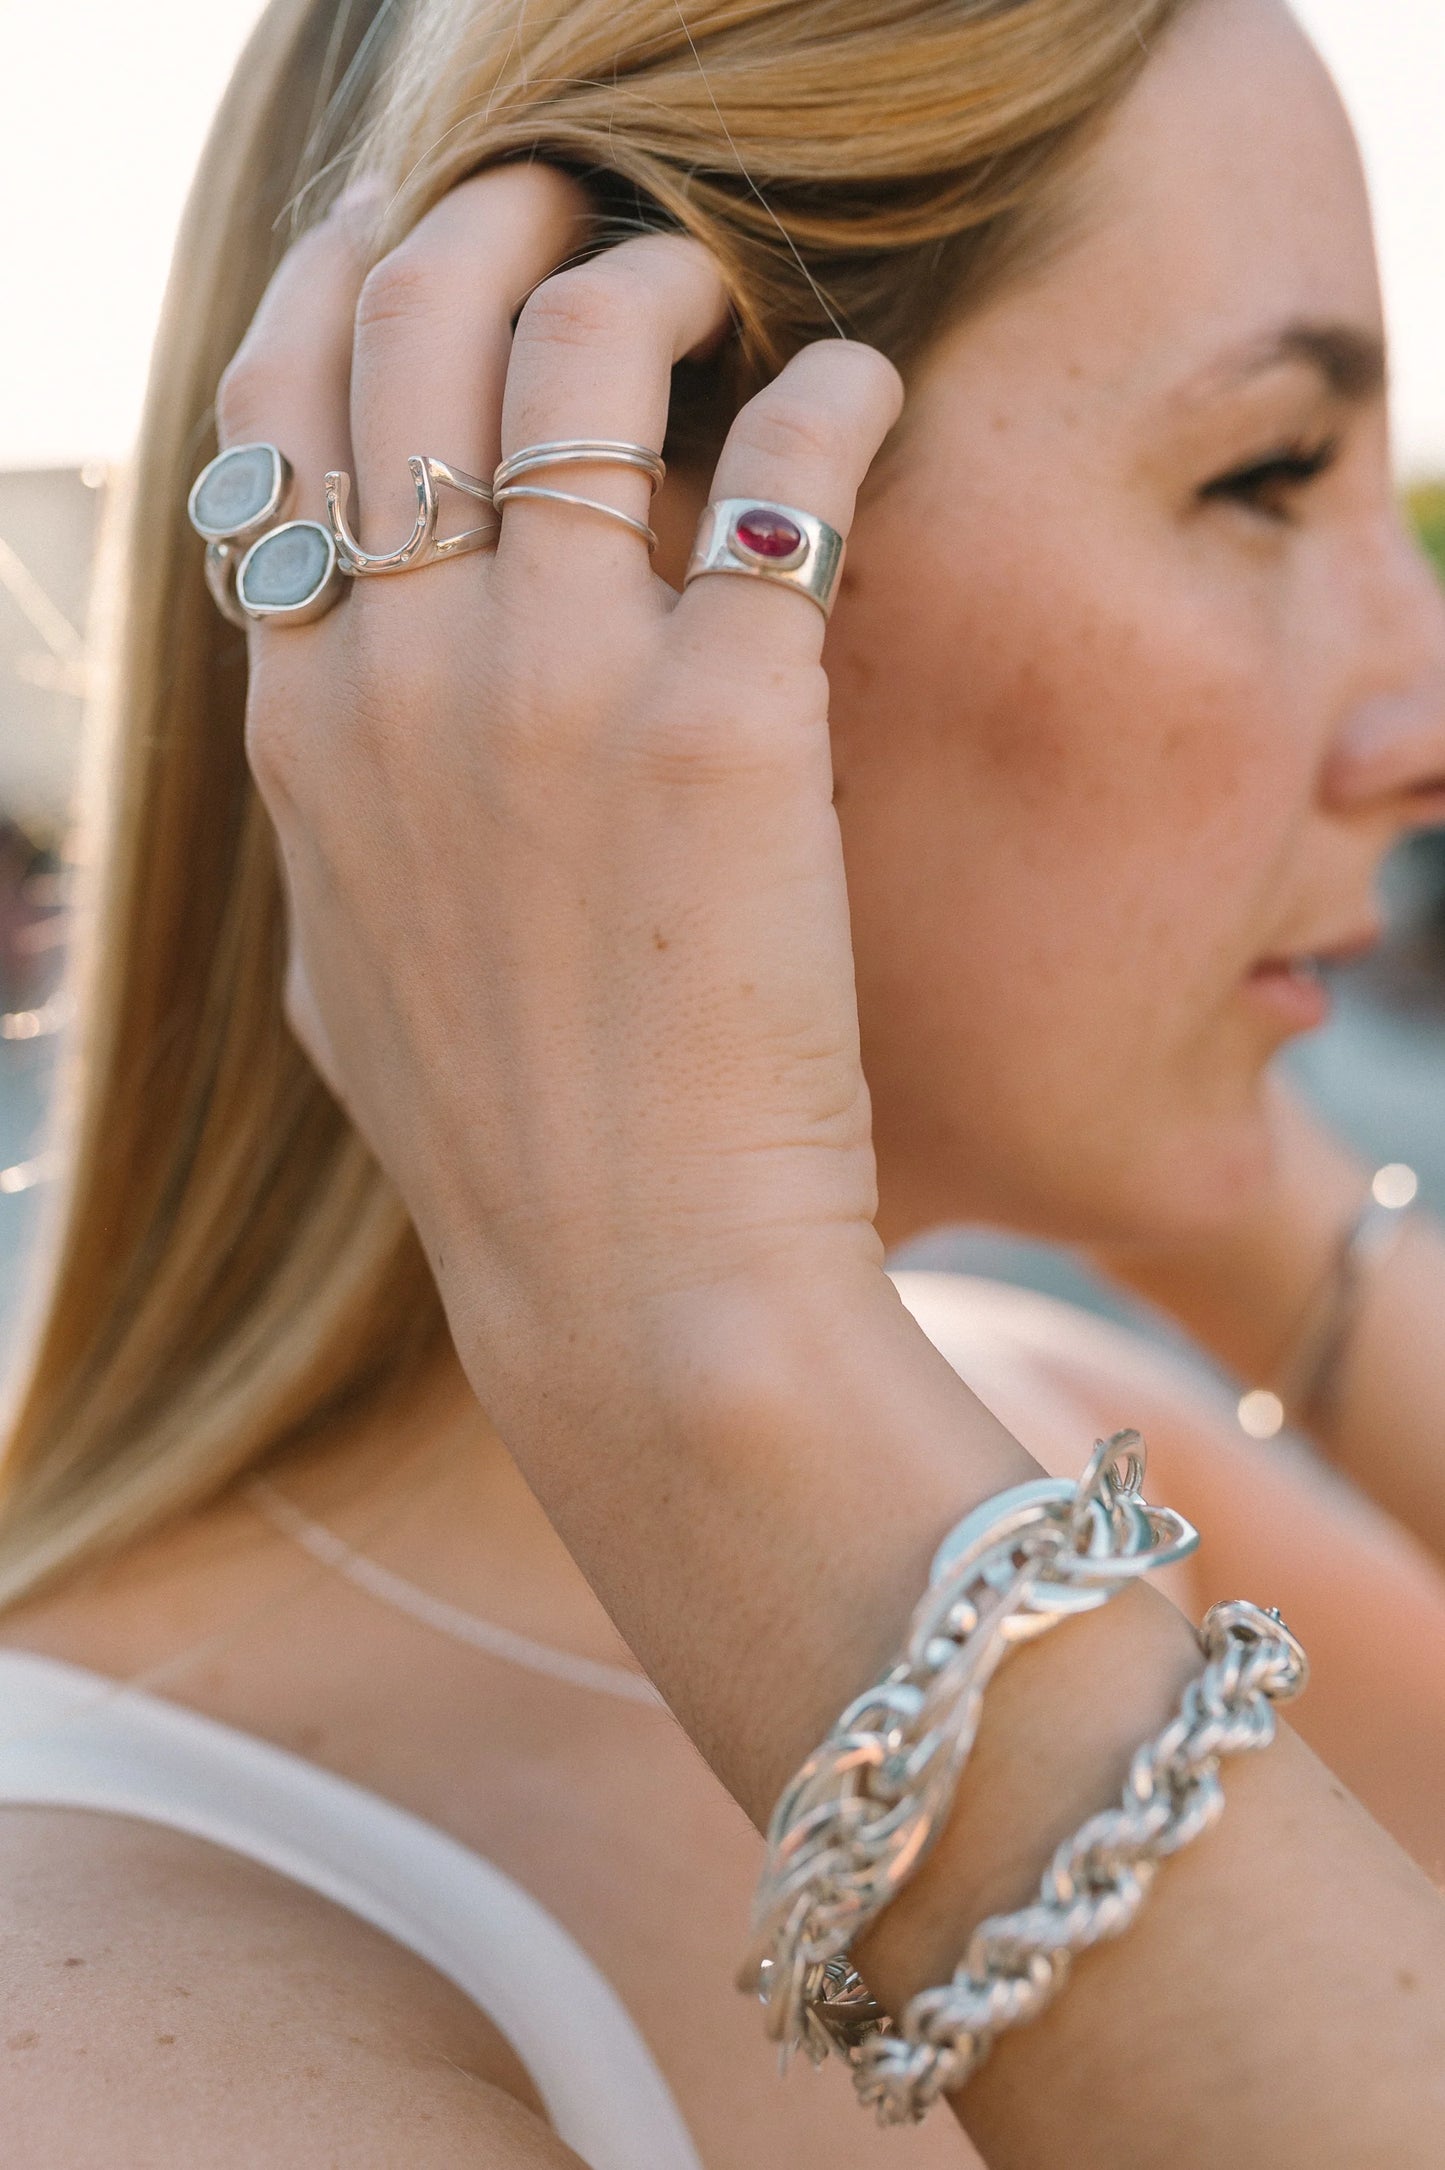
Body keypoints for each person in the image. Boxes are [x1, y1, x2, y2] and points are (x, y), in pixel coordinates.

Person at [3, 0, 1445, 2161]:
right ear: (578, 542)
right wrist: (710, 1329)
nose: (1419, 715)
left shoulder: (1034, 1419)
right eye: (1260, 473)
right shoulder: (121, 2013)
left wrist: (1242, 1198)